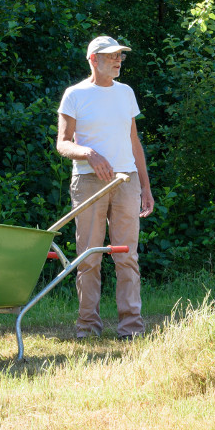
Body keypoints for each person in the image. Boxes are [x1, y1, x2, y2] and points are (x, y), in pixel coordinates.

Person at [56, 36, 154, 339]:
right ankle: (88, 326)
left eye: (120, 56)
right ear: (93, 59)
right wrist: (88, 153)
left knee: (127, 255)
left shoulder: (126, 93)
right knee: (88, 257)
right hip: (88, 182)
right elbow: (62, 144)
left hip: (127, 181)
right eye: (111, 56)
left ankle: (131, 327)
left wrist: (146, 187)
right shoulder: (75, 95)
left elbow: (134, 142)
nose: (118, 60)